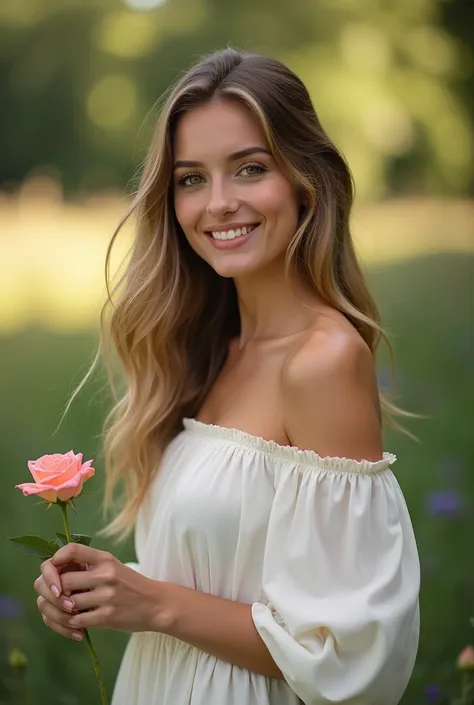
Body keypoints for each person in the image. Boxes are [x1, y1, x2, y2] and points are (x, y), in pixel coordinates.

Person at [33, 48, 420, 705]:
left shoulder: (322, 361)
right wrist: (106, 588)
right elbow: (228, 580)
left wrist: (152, 602)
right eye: (190, 179)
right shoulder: (208, 352)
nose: (218, 204)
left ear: (305, 179)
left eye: (249, 168)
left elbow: (344, 651)